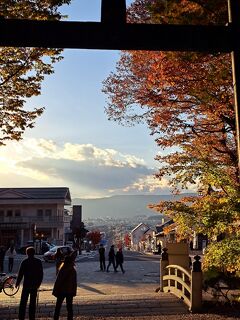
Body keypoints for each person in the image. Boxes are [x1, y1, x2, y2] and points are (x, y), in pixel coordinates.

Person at [16, 246, 43, 320]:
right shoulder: (38, 261)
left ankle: (21, 317)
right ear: (34, 253)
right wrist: (39, 283)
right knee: (32, 303)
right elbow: (41, 274)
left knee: (23, 302)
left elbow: (20, 273)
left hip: (26, 284)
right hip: (34, 285)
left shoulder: (25, 262)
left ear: (27, 253)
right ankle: (32, 317)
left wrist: (17, 283)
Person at [52, 253, 77, 320]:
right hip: (70, 291)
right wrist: (74, 292)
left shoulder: (63, 269)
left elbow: (58, 281)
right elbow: (74, 283)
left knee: (58, 306)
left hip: (61, 291)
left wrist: (55, 290)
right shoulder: (73, 270)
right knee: (69, 307)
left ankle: (56, 318)